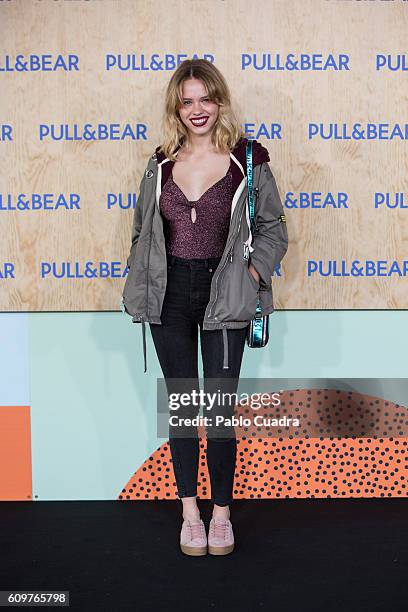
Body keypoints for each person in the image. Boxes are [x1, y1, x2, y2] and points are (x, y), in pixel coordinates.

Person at [122, 58, 288, 556]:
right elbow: (142, 233)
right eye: (187, 100)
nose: (197, 109)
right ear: (177, 105)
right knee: (181, 409)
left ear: (219, 101)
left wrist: (250, 275)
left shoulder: (249, 161)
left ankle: (221, 516)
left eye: (206, 99)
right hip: (170, 295)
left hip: (224, 294)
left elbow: (274, 230)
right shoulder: (161, 164)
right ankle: (190, 514)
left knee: (217, 412)